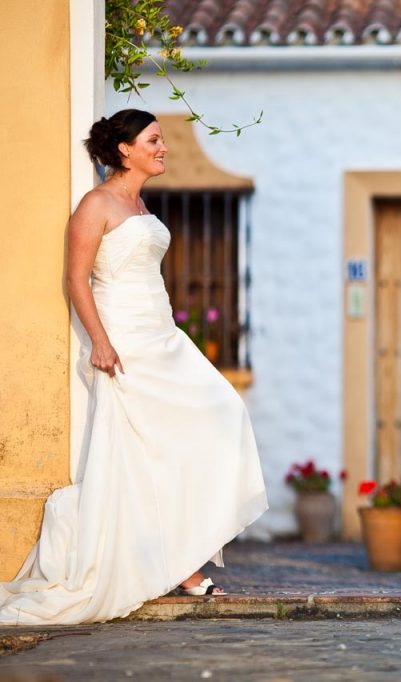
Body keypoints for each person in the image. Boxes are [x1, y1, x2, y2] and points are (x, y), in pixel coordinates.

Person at [0, 110, 268, 625]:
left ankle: (182, 553)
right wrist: (100, 341)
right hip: (124, 341)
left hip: (162, 334)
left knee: (221, 413)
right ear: (125, 149)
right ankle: (186, 569)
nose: (163, 147)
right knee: (145, 447)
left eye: (161, 140)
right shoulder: (95, 204)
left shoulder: (140, 204)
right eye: (154, 139)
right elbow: (77, 279)